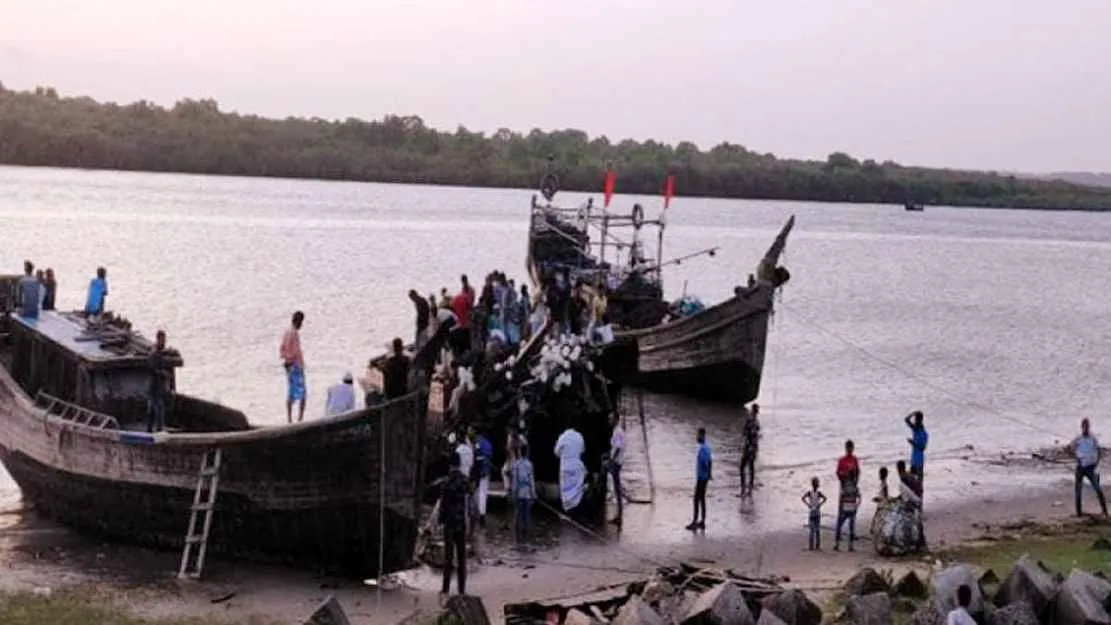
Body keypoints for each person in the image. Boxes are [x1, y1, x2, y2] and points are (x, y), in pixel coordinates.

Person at [438, 451, 470, 597]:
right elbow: (470, 499)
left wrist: (440, 522)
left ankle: (445, 589)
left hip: (449, 523)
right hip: (461, 522)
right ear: (459, 464)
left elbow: (443, 505)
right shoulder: (465, 480)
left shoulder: (445, 482)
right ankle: (461, 590)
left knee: (448, 558)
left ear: (450, 465)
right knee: (462, 558)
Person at [1068, 418, 1108, 517]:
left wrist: (1096, 462)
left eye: (1087, 426)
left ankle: (1105, 512)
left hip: (1090, 467)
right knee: (1078, 491)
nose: (1085, 428)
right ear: (1082, 427)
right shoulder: (1078, 438)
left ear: (1089, 427)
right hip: (1080, 467)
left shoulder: (1093, 438)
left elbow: (1099, 450)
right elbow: (1069, 448)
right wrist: (1076, 457)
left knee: (1097, 488)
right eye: (1084, 426)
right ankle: (1079, 513)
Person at [280, 311, 307, 423]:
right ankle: (300, 418)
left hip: (289, 366)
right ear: (299, 321)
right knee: (303, 394)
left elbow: (281, 348)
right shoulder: (294, 333)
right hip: (296, 366)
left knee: (291, 393)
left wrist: (286, 360)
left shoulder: (287, 332)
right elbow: (295, 351)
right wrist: (292, 361)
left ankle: (289, 419)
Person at [554, 424, 587, 515]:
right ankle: (576, 507)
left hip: (565, 467)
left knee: (566, 489)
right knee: (576, 488)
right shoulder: (579, 436)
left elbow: (556, 452)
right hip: (577, 465)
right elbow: (582, 450)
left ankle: (568, 509)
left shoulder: (562, 437)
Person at [147, 330, 174, 433]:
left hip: (159, 387)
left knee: (155, 409)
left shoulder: (160, 353)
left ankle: (154, 429)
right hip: (154, 387)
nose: (164, 342)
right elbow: (151, 368)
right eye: (162, 340)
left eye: (165, 340)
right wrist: (162, 373)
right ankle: (156, 430)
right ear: (158, 339)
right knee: (157, 410)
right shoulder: (154, 354)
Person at [896, 460, 926, 551]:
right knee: (917, 523)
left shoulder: (903, 478)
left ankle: (911, 544)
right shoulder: (909, 475)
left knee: (908, 523)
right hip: (917, 500)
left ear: (898, 469)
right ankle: (920, 543)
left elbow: (906, 493)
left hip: (912, 502)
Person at [686, 428, 712, 531]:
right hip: (704, 477)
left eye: (698, 435)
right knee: (702, 499)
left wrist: (707, 473)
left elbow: (706, 462)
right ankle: (702, 521)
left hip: (702, 477)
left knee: (697, 499)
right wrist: (710, 474)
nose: (696, 437)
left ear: (702, 435)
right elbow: (710, 461)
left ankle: (695, 521)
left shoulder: (703, 449)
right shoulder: (707, 447)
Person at [512, 443, 536, 544]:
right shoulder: (529, 464)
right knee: (527, 515)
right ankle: (526, 537)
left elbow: (515, 481)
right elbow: (531, 480)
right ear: (526, 453)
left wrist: (514, 492)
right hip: (527, 493)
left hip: (519, 493)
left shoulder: (516, 464)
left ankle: (519, 537)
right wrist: (533, 494)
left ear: (519, 452)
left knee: (519, 514)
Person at [834, 464, 860, 552]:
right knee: (851, 528)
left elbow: (842, 496)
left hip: (845, 507)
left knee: (839, 525)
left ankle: (837, 545)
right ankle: (851, 546)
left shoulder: (845, 485)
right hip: (852, 508)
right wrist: (857, 505)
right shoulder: (855, 486)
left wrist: (841, 506)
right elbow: (859, 496)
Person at [473, 428, 493, 527]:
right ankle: (482, 515)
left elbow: (476, 457)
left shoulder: (477, 443)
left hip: (480, 472)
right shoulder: (488, 444)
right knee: (483, 493)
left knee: (478, 493)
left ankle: (478, 515)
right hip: (487, 471)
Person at [609, 412, 626, 526]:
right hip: (616, 461)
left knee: (617, 489)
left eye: (610, 419)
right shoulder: (616, 431)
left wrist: (612, 460)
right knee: (616, 489)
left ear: (615, 419)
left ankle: (619, 516)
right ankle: (618, 515)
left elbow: (618, 448)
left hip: (616, 462)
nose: (609, 421)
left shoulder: (618, 432)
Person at [740, 403, 761, 497]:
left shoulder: (750, 420)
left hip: (749, 446)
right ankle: (749, 489)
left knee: (742, 467)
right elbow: (755, 433)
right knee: (751, 467)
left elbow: (745, 432)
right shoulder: (756, 421)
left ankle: (744, 488)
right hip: (753, 446)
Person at [802, 477, 827, 551]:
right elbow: (825, 498)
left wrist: (808, 505)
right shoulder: (818, 493)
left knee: (812, 530)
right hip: (817, 512)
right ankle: (817, 546)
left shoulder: (810, 493)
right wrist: (820, 504)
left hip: (812, 512)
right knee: (817, 530)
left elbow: (803, 498)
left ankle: (811, 546)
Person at [905, 411, 928, 485]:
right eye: (915, 420)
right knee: (912, 479)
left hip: (919, 459)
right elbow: (906, 420)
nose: (914, 421)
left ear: (919, 420)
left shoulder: (923, 433)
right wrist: (913, 413)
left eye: (916, 420)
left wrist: (913, 443)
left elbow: (923, 448)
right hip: (914, 458)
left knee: (919, 480)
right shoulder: (916, 430)